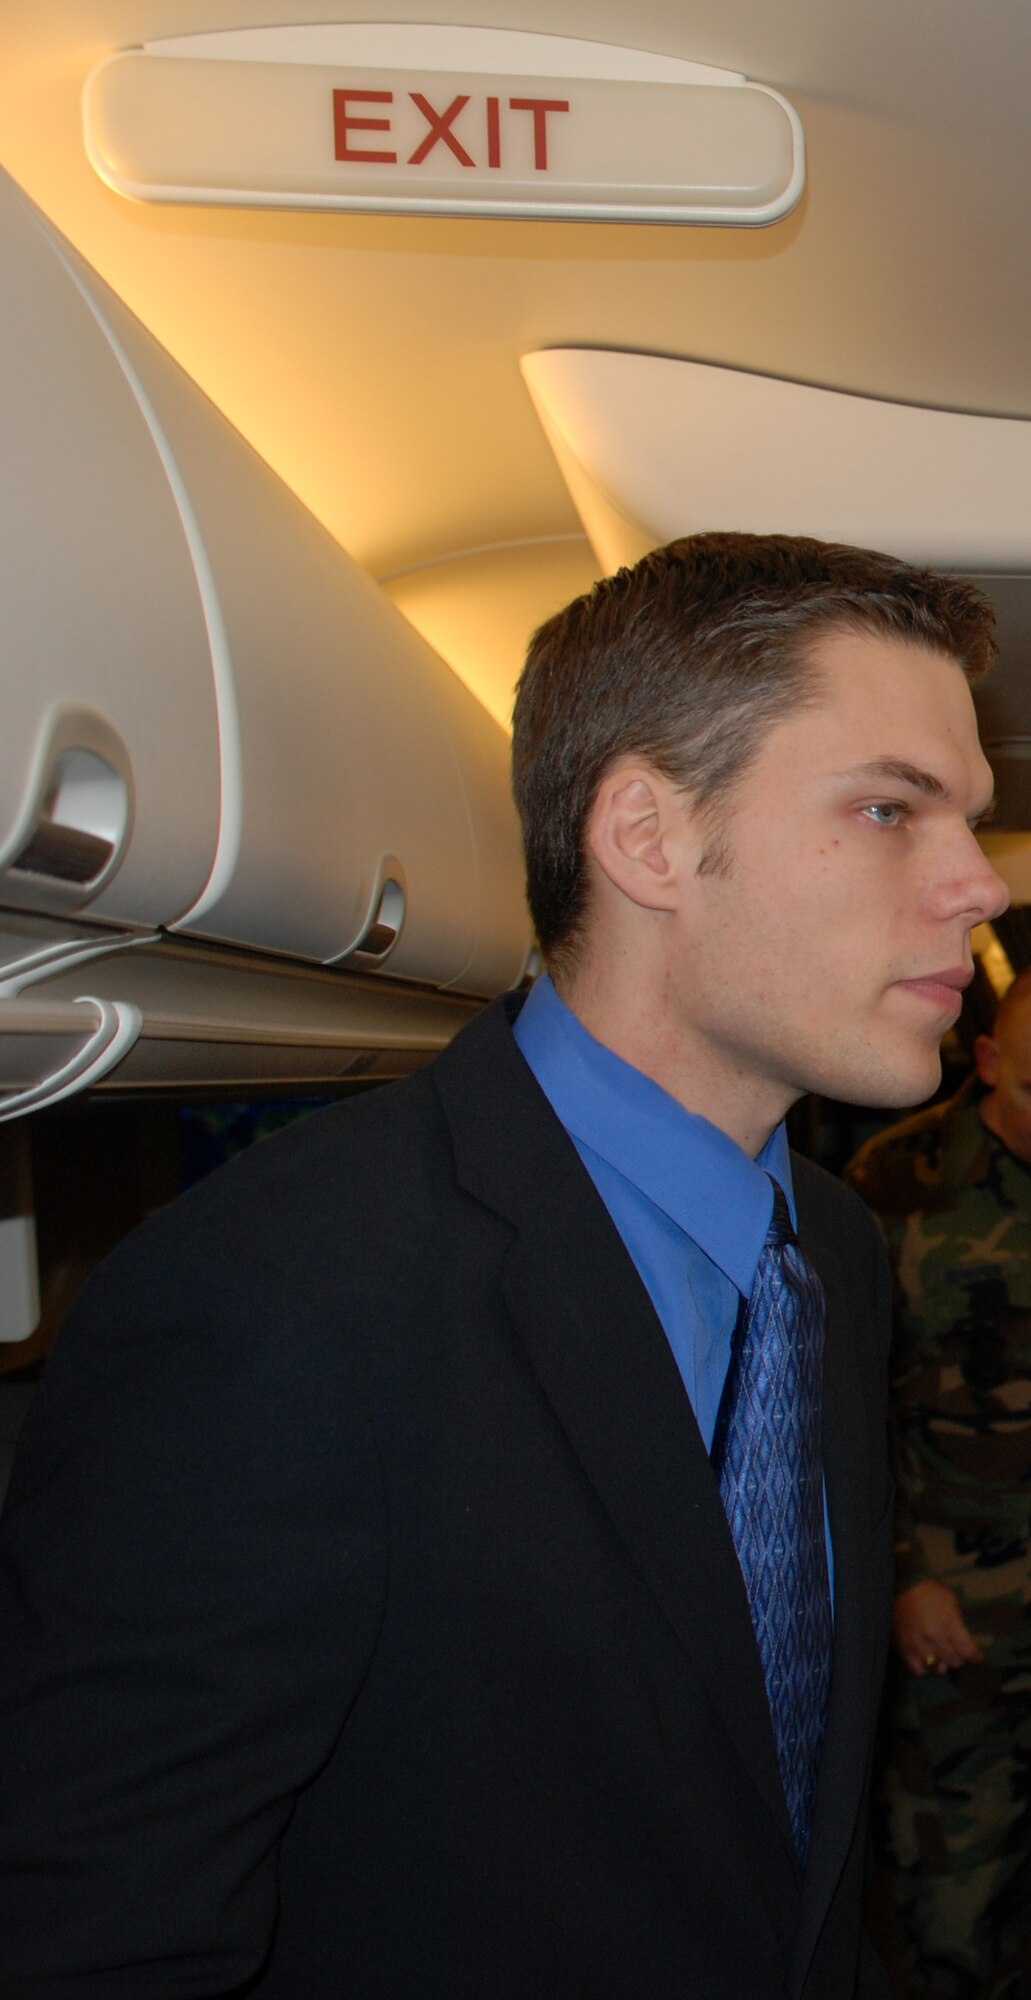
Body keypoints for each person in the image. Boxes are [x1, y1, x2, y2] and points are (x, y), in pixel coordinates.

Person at [0, 533, 1007, 1999]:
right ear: (647, 839)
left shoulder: (830, 1252)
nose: (976, 886)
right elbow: (93, 1940)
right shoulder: (273, 1304)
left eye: (969, 822)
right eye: (885, 810)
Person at [847, 969, 1031, 2000]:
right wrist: (905, 1570)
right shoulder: (896, 1184)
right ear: (990, 1061)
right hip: (962, 1605)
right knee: (954, 1895)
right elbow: (849, 1406)